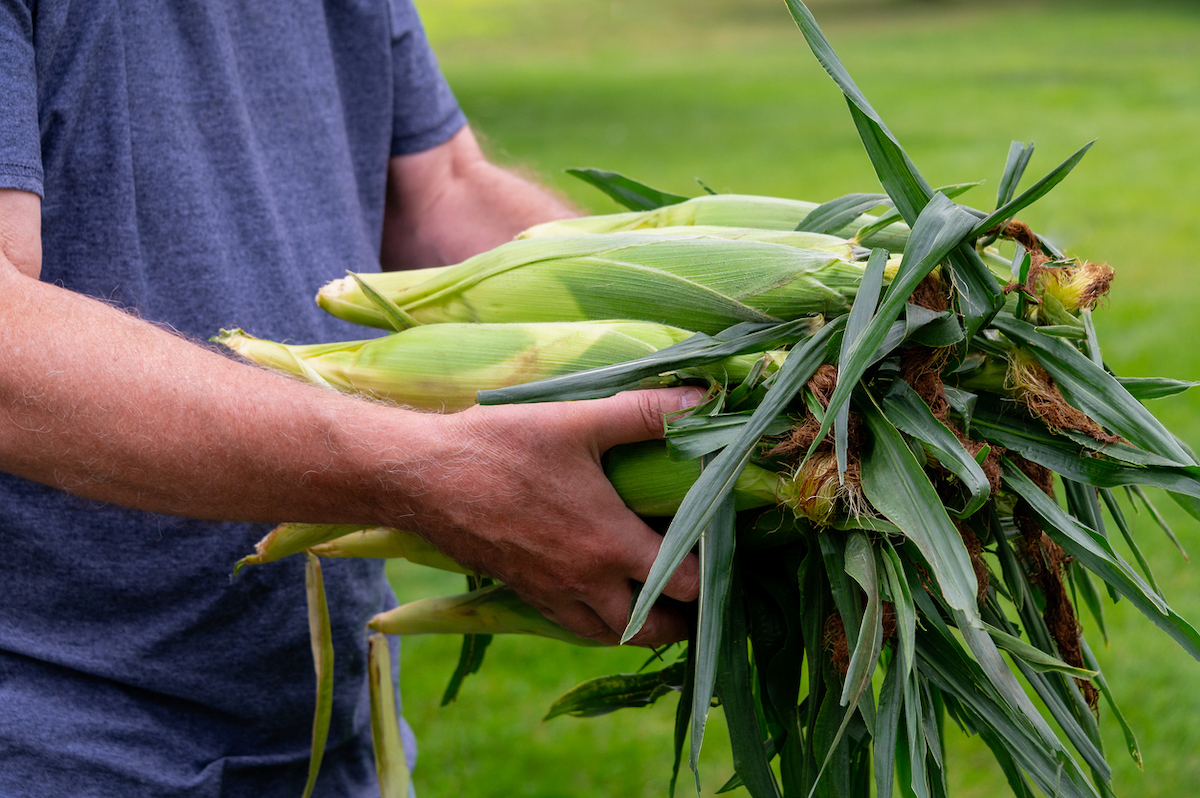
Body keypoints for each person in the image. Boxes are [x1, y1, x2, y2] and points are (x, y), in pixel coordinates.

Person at [0, 1, 700, 794]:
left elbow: (437, 189)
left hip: (329, 728)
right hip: (55, 741)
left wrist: (731, 359)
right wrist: (427, 470)